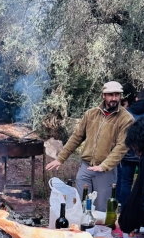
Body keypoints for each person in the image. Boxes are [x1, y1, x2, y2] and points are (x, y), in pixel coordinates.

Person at [46, 81, 134, 212]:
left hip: (106, 171)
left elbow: (122, 147)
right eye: (110, 94)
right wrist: (61, 158)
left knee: (101, 209)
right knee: (81, 206)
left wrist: (104, 166)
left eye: (117, 95)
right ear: (103, 95)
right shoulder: (90, 114)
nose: (114, 98)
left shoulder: (126, 119)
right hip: (86, 167)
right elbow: (76, 137)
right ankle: (81, 232)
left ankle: (99, 233)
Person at [116, 89, 144, 206]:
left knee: (125, 183)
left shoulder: (126, 113)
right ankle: (140, 210)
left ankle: (123, 209)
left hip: (127, 153)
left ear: (136, 99)